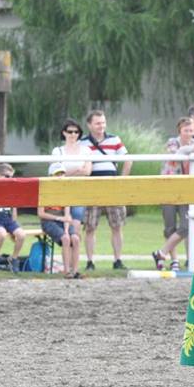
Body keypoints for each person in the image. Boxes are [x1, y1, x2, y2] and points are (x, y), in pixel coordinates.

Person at [153, 117, 194, 272]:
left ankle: (161, 253)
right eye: (186, 130)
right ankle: (174, 260)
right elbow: (176, 154)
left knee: (186, 226)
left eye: (191, 130)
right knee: (169, 227)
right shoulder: (173, 142)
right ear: (179, 130)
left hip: (187, 190)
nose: (189, 133)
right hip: (169, 188)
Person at [78, 110, 131, 270]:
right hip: (92, 187)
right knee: (90, 227)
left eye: (103, 122)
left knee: (117, 226)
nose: (101, 126)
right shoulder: (83, 143)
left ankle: (118, 260)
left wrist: (122, 180)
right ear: (89, 125)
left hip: (112, 186)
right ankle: (90, 262)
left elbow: (128, 159)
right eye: (97, 123)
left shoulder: (114, 139)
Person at [50, 119, 91, 245]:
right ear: (64, 133)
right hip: (62, 193)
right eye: (70, 131)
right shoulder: (57, 151)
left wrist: (66, 172)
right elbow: (55, 173)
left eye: (76, 132)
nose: (73, 134)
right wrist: (77, 170)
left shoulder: (86, 150)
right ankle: (67, 257)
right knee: (65, 233)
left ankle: (75, 258)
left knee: (76, 229)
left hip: (79, 192)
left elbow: (87, 171)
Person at [39, 163, 81, 278]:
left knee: (75, 238)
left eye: (62, 174)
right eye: (57, 174)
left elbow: (67, 215)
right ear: (50, 176)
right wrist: (58, 218)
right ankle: (66, 271)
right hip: (48, 221)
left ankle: (75, 271)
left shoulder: (65, 192)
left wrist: (67, 229)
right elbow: (41, 214)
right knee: (65, 239)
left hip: (63, 220)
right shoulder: (44, 191)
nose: (60, 176)